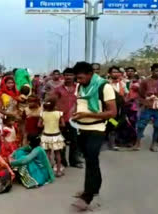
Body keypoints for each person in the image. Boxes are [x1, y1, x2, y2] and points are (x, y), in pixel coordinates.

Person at [71, 62, 117, 211]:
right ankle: (92, 188)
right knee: (90, 160)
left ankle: (87, 196)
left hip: (97, 128)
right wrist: (75, 114)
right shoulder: (80, 86)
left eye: (81, 78)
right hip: (81, 128)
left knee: (91, 160)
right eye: (77, 78)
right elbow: (80, 104)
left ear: (90, 74)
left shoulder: (105, 87)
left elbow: (112, 113)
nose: (79, 81)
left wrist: (88, 114)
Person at [133, 63, 158, 152]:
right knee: (141, 125)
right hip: (147, 106)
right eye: (156, 71)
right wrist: (147, 101)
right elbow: (141, 93)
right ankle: (137, 143)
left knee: (157, 126)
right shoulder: (145, 81)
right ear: (152, 71)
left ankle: (153, 145)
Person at [54, 68, 83, 168]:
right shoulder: (58, 90)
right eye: (66, 75)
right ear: (63, 76)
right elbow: (53, 103)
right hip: (61, 119)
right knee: (61, 141)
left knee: (75, 141)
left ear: (74, 76)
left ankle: (74, 161)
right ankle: (62, 161)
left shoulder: (79, 88)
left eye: (71, 75)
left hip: (75, 119)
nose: (68, 77)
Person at [38, 99, 65, 177]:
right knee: (57, 153)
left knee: (47, 154)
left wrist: (46, 124)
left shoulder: (42, 114)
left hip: (46, 135)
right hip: (56, 135)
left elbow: (39, 125)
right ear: (54, 106)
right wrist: (56, 125)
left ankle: (48, 171)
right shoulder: (59, 114)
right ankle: (58, 171)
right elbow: (63, 125)